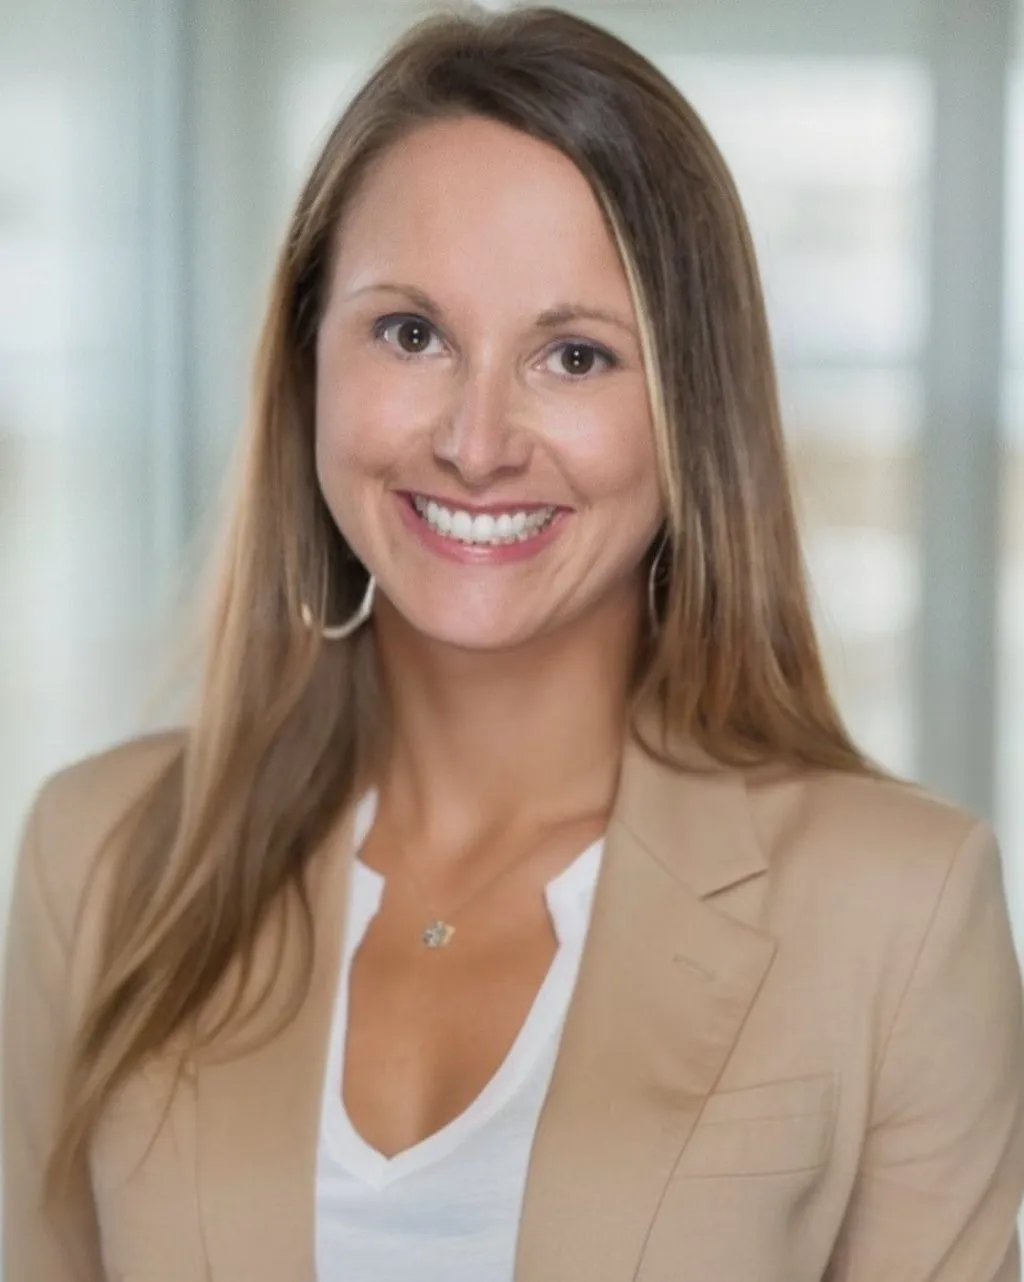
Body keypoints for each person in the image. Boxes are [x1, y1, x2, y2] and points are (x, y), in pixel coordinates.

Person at [4, 5, 1023, 1280]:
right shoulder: (96, 861)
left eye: (575, 354)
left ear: (688, 410)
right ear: (308, 354)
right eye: (412, 333)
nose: (476, 441)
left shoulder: (902, 908)